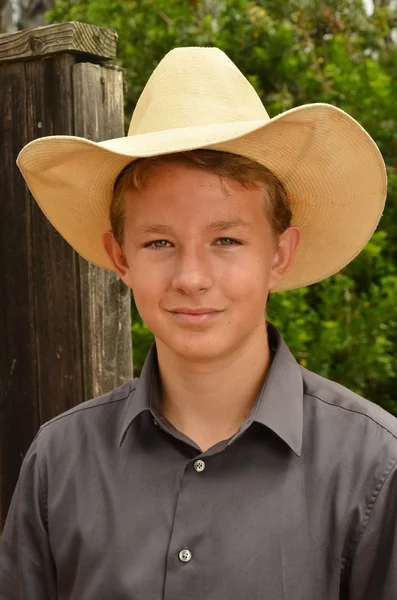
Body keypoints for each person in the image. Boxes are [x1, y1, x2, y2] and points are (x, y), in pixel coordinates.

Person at [0, 46, 395, 600]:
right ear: (120, 257)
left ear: (279, 254)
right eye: (159, 242)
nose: (191, 276)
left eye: (226, 240)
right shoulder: (58, 463)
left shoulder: (374, 468)